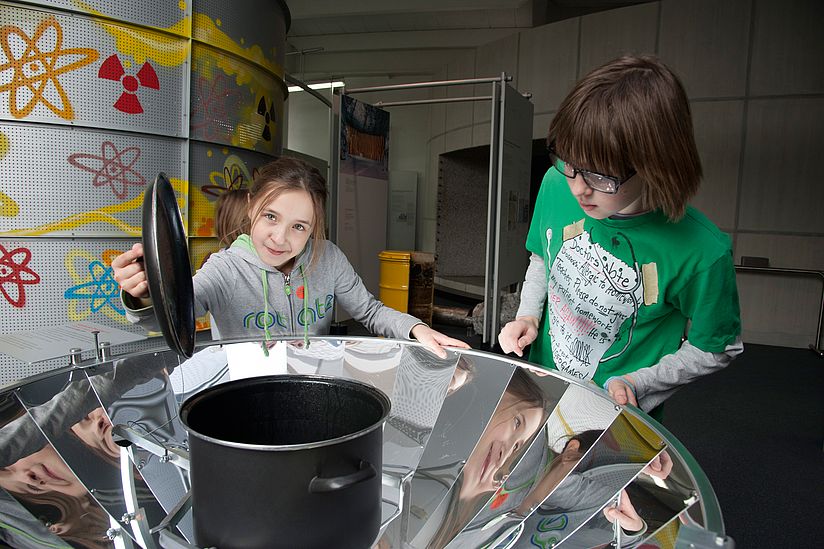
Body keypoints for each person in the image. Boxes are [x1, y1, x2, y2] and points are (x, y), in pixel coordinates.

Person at [498, 55, 743, 413]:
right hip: (541, 388)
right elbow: (542, 258)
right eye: (570, 162)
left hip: (613, 415)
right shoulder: (557, 182)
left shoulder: (703, 252)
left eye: (600, 176)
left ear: (656, 166)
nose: (578, 188)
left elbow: (716, 348)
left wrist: (638, 382)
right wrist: (528, 316)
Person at [113, 156, 468, 358]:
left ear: (314, 227)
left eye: (299, 226)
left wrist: (417, 329)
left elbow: (371, 312)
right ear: (251, 205)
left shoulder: (329, 258)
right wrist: (142, 294)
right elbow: (172, 314)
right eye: (271, 216)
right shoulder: (224, 269)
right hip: (241, 397)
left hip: (311, 388)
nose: (280, 238)